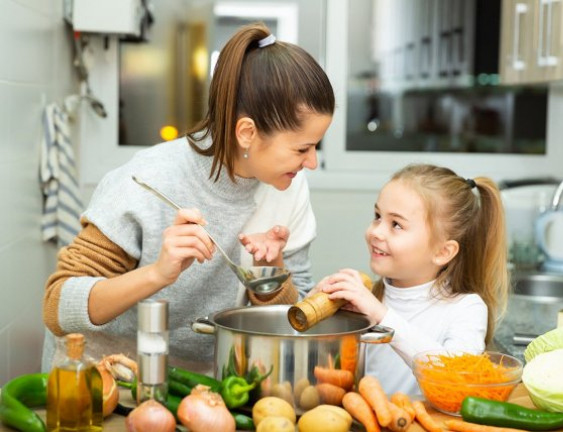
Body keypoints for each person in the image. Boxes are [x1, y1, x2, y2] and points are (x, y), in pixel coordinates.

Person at [41, 22, 335, 373]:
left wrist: (271, 277)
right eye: (303, 148)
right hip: (103, 377)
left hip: (198, 384)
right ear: (247, 133)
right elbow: (58, 307)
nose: (312, 162)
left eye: (316, 146)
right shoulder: (148, 180)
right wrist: (158, 274)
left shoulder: (290, 186)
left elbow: (299, 313)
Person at [313, 164, 509, 395]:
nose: (376, 231)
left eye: (396, 224)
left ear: (442, 252)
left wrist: (381, 315)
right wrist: (319, 312)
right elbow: (331, 373)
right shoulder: (371, 298)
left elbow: (456, 380)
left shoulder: (466, 308)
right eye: (377, 216)